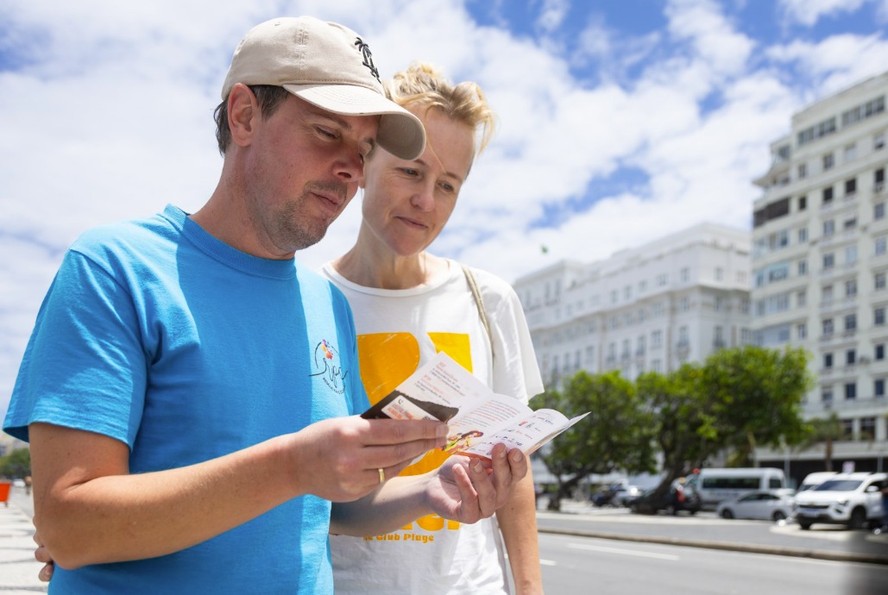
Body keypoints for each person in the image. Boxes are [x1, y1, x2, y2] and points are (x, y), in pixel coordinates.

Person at [3, 17, 527, 593]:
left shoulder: (328, 302)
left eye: (365, 148)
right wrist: (292, 465)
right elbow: (69, 526)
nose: (352, 169)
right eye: (328, 133)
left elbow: (329, 506)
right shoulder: (115, 267)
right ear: (245, 115)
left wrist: (430, 491)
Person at [324, 63, 544, 594]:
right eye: (412, 172)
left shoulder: (487, 300)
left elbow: (515, 477)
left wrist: (531, 588)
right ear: (365, 159)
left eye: (448, 185)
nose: (428, 201)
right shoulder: (308, 298)